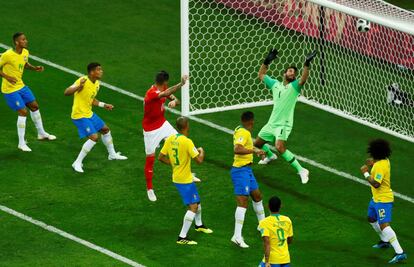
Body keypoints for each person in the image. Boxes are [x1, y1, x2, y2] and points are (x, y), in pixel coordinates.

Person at [254, 48, 317, 184]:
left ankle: (302, 170)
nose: (292, 73)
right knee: (257, 144)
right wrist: (267, 60)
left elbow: (303, 79)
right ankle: (270, 156)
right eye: (289, 71)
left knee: (280, 146)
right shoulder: (275, 85)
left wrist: (307, 63)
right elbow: (261, 74)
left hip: (284, 124)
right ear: (284, 74)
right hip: (271, 123)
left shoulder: (295, 87)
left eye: (294, 73)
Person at [158, 117, 212, 245]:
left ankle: (199, 225)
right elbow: (199, 160)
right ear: (187, 126)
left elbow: (160, 157)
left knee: (197, 202)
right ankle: (182, 237)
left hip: (179, 177)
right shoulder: (187, 142)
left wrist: (173, 165)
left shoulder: (170, 138)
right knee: (193, 207)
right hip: (184, 180)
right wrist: (201, 151)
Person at [64, 62, 127, 173]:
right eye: (98, 69)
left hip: (88, 113)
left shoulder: (97, 83)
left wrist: (104, 105)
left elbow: (91, 99)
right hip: (79, 115)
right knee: (94, 137)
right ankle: (77, 162)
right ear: (92, 72)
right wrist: (79, 86)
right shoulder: (82, 80)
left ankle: (112, 154)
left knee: (105, 130)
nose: (101, 71)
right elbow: (67, 92)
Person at [0, 32, 56, 152]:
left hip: (20, 86)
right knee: (23, 112)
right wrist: (6, 77)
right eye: (23, 40)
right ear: (17, 42)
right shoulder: (7, 55)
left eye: (25, 39)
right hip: (9, 89)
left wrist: (34, 68)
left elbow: (24, 64)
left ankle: (41, 134)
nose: (26, 41)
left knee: (34, 106)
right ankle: (21, 143)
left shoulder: (25, 52)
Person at [143, 71, 190, 202]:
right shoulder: (151, 93)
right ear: (164, 82)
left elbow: (176, 99)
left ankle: (187, 173)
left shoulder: (163, 88)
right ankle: (150, 189)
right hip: (150, 130)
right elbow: (164, 94)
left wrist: (175, 101)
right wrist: (181, 84)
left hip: (163, 124)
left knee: (181, 142)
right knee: (150, 159)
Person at [360, 138, 407, 264]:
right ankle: (385, 242)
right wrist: (373, 163)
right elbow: (378, 162)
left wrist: (365, 173)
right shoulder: (384, 160)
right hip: (376, 199)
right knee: (371, 218)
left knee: (384, 225)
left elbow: (376, 184)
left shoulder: (380, 166)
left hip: (383, 200)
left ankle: (400, 252)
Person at [231, 111, 266, 248]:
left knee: (257, 196)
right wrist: (255, 151)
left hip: (247, 171)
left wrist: (257, 150)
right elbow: (237, 149)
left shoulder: (240, 129)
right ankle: (237, 236)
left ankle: (262, 226)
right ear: (251, 122)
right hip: (240, 171)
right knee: (242, 203)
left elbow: (245, 146)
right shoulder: (244, 133)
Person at [258, 196, 293, 267]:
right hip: (285, 258)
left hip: (272, 260)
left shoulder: (264, 222)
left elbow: (267, 244)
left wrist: (267, 261)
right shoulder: (287, 220)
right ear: (280, 206)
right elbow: (290, 239)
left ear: (268, 206)